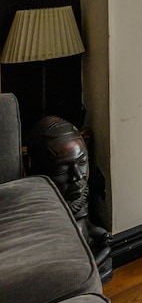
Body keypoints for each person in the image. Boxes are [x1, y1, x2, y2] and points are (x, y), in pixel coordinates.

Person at [27, 116, 112, 278]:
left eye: (82, 162)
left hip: (86, 249)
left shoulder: (80, 194)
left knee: (106, 251)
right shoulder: (44, 208)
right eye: (62, 170)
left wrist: (100, 233)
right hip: (68, 258)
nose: (78, 176)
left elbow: (86, 223)